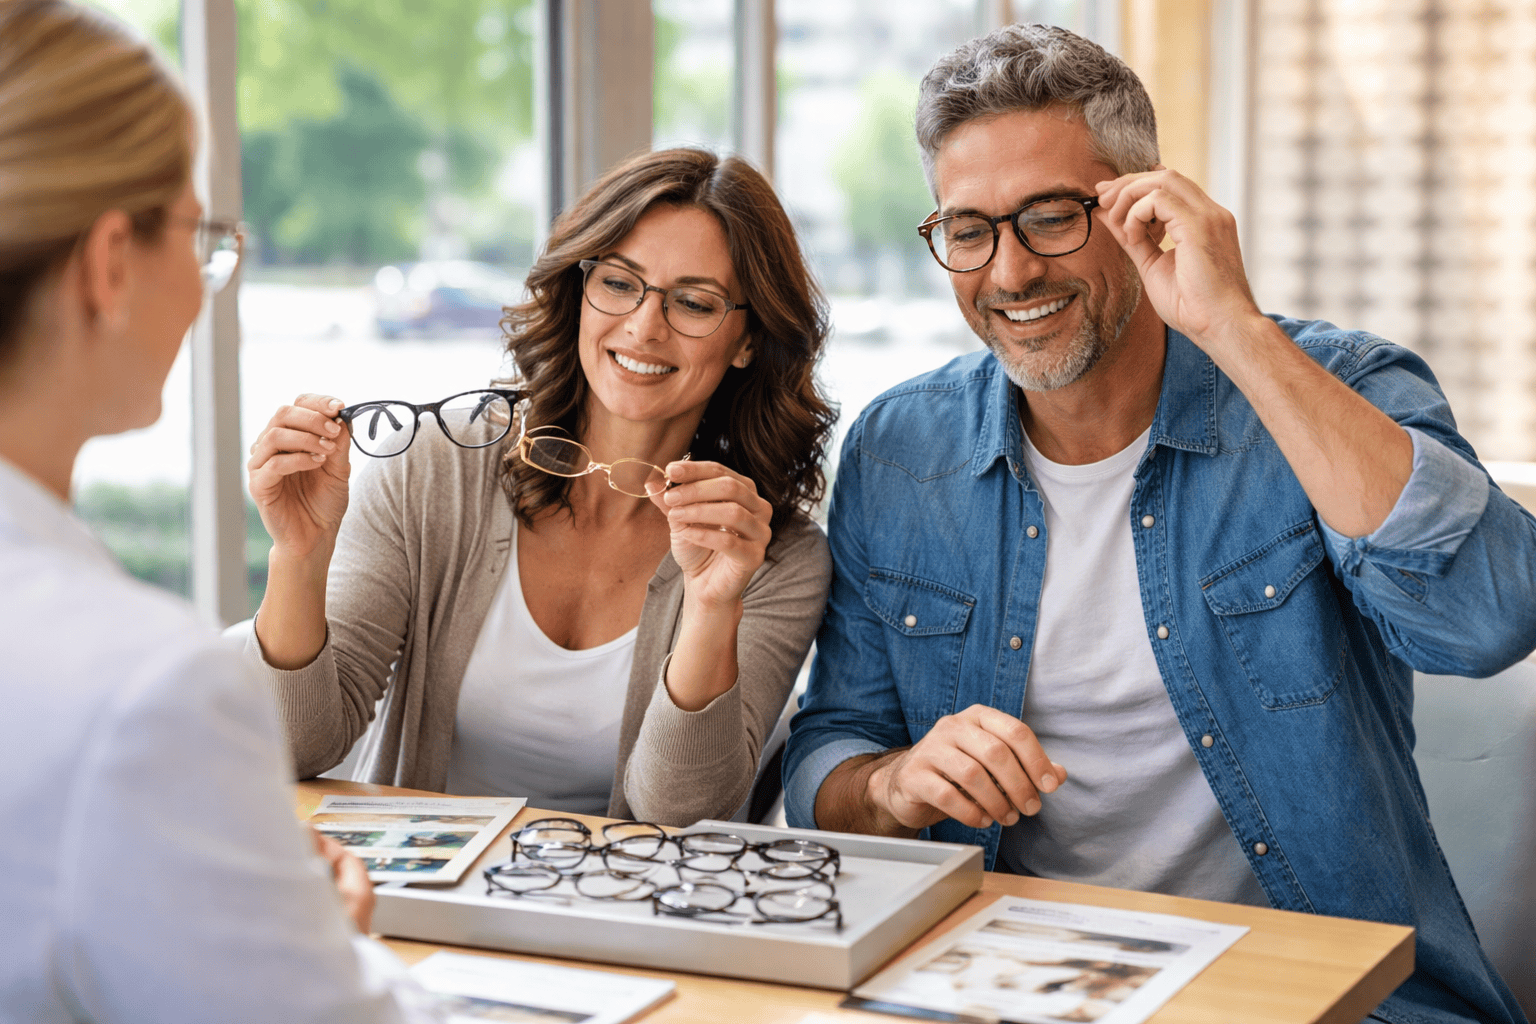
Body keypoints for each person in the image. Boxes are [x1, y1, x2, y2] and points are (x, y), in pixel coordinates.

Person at [783, 23, 1533, 1024]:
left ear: (1146, 206)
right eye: (969, 229)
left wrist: (1235, 329)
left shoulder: (1339, 386)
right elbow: (829, 755)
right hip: (1006, 985)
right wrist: (897, 784)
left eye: (1051, 216)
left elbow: (1486, 620)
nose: (1008, 274)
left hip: (1327, 999)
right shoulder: (899, 449)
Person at [0, 2, 442, 1020]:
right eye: (201, 237)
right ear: (111, 263)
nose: (207, 284)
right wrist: (319, 938)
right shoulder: (145, 694)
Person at [241, 148, 834, 825]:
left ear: (748, 340)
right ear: (579, 292)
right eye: (618, 283)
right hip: (418, 907)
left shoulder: (772, 556)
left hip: (623, 921)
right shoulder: (435, 470)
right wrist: (299, 553)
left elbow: (681, 813)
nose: (644, 325)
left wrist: (711, 604)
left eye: (694, 302)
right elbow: (294, 749)